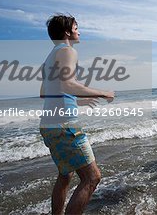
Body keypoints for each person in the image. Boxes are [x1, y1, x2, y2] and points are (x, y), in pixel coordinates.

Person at [40, 13, 115, 215]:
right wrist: (103, 91)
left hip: (49, 125)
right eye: (76, 27)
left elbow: (45, 92)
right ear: (67, 32)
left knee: (65, 175)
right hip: (65, 125)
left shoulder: (49, 57)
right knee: (92, 177)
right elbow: (68, 84)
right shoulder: (67, 50)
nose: (79, 31)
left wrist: (78, 101)